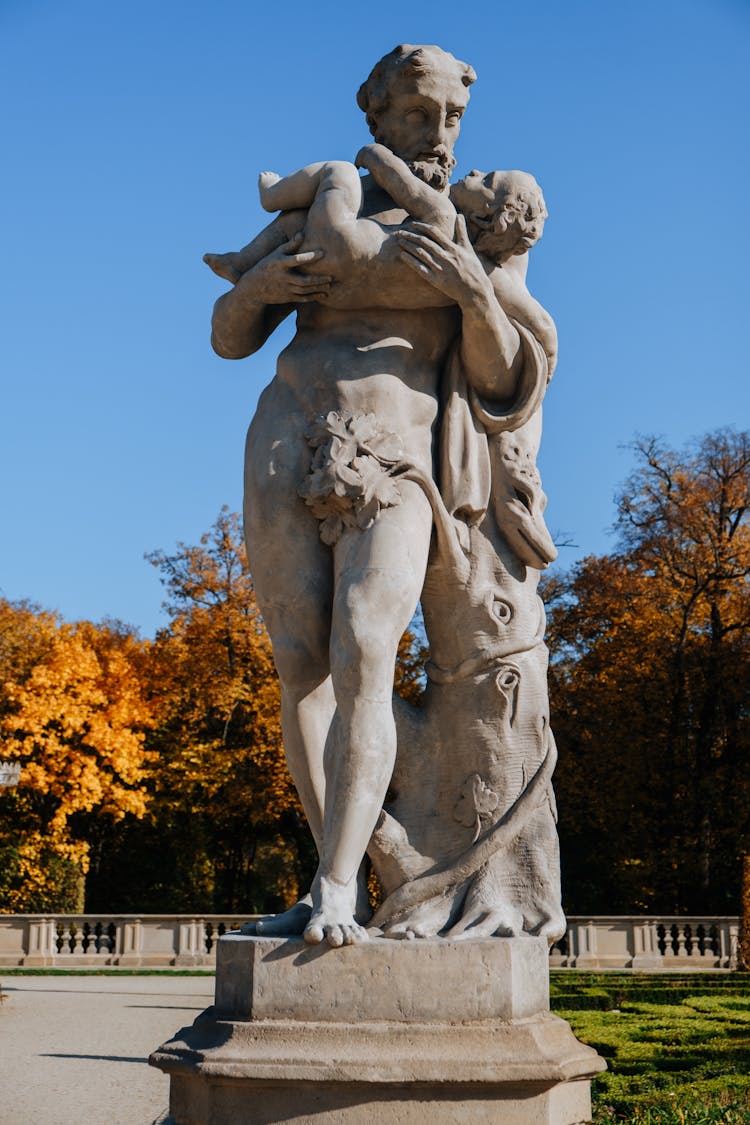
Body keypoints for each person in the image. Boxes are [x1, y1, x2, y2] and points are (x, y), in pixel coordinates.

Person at [209, 44, 529, 947]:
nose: (438, 136)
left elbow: (508, 375)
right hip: (286, 434)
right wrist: (261, 288)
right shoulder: (325, 206)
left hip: (397, 457)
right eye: (418, 116)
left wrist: (474, 295)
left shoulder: (465, 231)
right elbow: (230, 336)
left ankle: (344, 883)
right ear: (376, 117)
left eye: (451, 119)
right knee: (302, 664)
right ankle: (326, 876)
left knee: (364, 644)